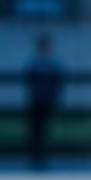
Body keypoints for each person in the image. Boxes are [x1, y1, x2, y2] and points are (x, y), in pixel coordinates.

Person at [24, 33, 64, 171]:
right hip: (36, 100)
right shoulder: (35, 64)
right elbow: (28, 80)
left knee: (44, 129)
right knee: (35, 129)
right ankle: (35, 155)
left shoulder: (51, 64)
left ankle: (42, 155)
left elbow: (58, 83)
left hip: (46, 101)